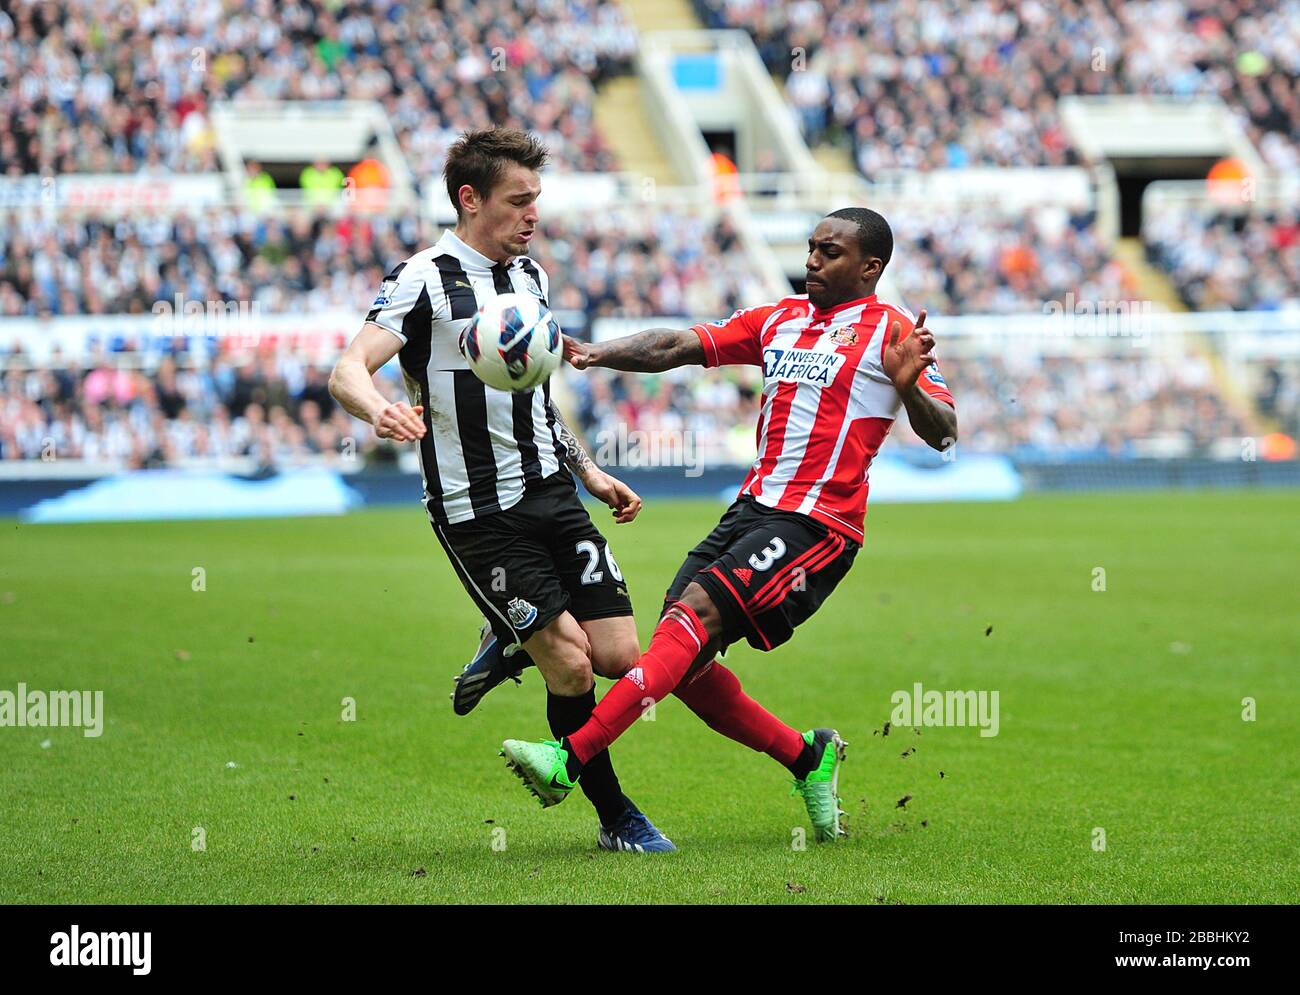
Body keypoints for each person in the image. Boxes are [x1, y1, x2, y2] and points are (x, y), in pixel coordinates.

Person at [499, 208, 959, 842]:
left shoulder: (893, 333)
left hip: (818, 523)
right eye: (811, 248)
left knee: (691, 618)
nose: (812, 262)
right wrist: (595, 353)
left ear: (870, 267)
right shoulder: (781, 319)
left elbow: (944, 434)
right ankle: (807, 757)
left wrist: (909, 391)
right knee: (679, 659)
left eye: (830, 252)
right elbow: (677, 346)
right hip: (751, 509)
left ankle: (568, 758)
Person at [328, 128, 674, 852]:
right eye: (519, 201)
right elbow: (348, 369)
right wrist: (380, 408)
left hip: (552, 490)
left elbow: (539, 400)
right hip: (477, 513)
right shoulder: (423, 277)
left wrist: (589, 471)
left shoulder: (532, 279)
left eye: (536, 200)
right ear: (469, 198)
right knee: (572, 663)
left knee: (617, 655)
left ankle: (506, 636)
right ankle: (618, 819)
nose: (532, 214)